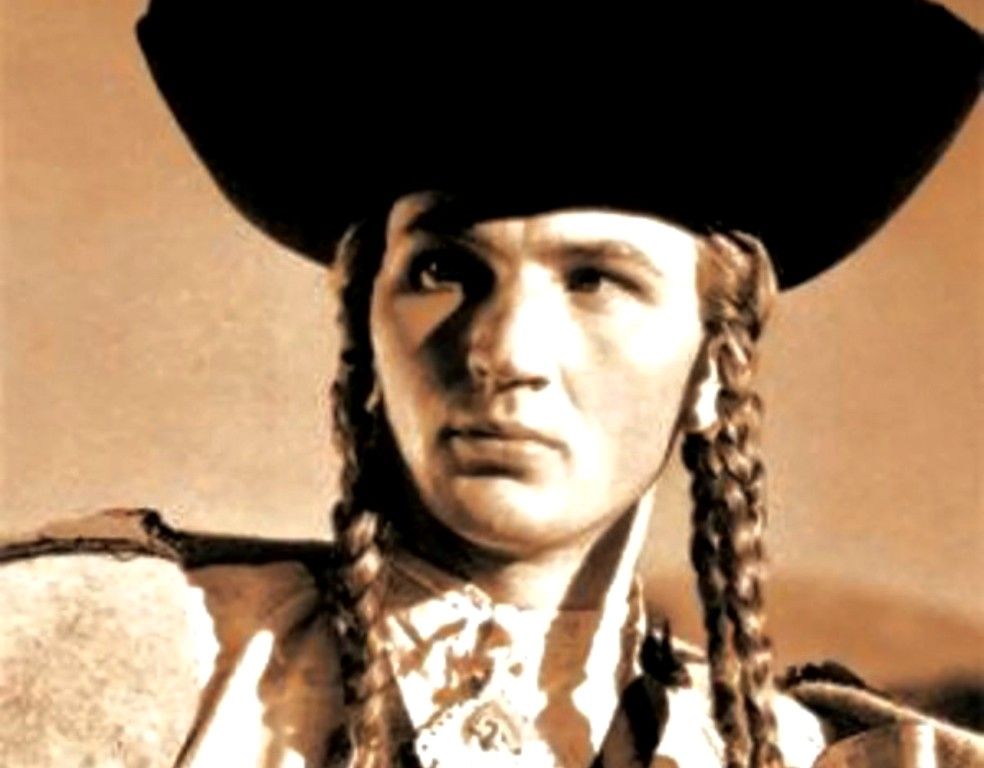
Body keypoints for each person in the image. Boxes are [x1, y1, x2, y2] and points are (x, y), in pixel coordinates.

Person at [1, 3, 981, 767]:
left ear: (715, 370)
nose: (502, 349)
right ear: (365, 326)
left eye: (595, 280)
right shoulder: (103, 660)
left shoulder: (814, 757)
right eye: (444, 269)